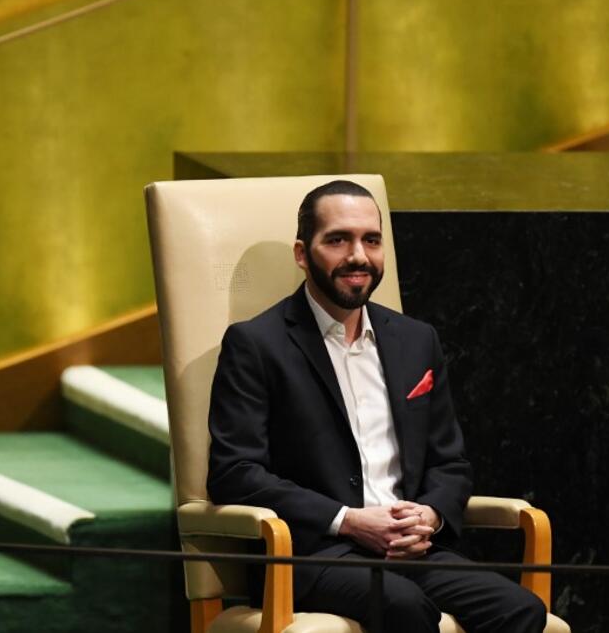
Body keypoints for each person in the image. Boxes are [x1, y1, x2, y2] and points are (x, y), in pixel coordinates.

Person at [206, 180, 546, 633]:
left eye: (371, 240)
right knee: (404, 606)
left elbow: (450, 462)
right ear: (302, 254)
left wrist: (430, 514)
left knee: (521, 610)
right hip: (312, 554)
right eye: (338, 239)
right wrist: (348, 521)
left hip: (412, 550)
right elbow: (234, 472)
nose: (358, 256)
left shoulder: (416, 339)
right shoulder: (256, 344)